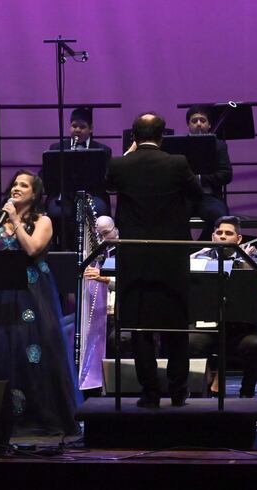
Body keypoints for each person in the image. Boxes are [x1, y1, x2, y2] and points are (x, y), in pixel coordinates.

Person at [0, 170, 79, 435]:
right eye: (14, 184)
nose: (16, 188)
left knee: (30, 350)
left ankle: (37, 415)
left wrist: (15, 219)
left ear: (34, 193)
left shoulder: (43, 221)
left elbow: (33, 249)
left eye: (23, 185)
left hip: (31, 293)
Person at [106, 112, 203, 408]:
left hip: (134, 255)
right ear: (163, 136)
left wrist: (128, 153)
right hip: (170, 254)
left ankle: (150, 392)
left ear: (134, 136)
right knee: (175, 324)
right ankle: (177, 390)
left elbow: (109, 183)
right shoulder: (177, 163)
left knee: (139, 326)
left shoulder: (120, 163)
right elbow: (197, 194)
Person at [189, 216, 257, 397]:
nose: (223, 237)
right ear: (213, 237)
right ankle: (200, 390)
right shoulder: (197, 260)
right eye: (219, 233)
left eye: (228, 233)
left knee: (256, 345)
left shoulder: (253, 262)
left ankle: (247, 393)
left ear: (239, 239)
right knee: (190, 342)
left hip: (242, 328)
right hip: (207, 326)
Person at [46, 107, 112, 249]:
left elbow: (106, 177)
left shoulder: (103, 150)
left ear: (91, 129)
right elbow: (47, 175)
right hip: (64, 195)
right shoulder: (56, 148)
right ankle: (61, 250)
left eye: (82, 127)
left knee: (99, 210)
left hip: (92, 194)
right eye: (74, 126)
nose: (77, 130)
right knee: (55, 211)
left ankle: (93, 250)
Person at [185, 105, 233, 241]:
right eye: (194, 121)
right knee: (172, 216)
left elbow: (226, 174)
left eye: (202, 120)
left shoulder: (219, 145)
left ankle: (202, 247)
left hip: (209, 197)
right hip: (184, 198)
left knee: (221, 217)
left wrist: (199, 178)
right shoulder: (179, 145)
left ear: (209, 124)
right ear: (188, 125)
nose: (199, 124)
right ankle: (186, 250)